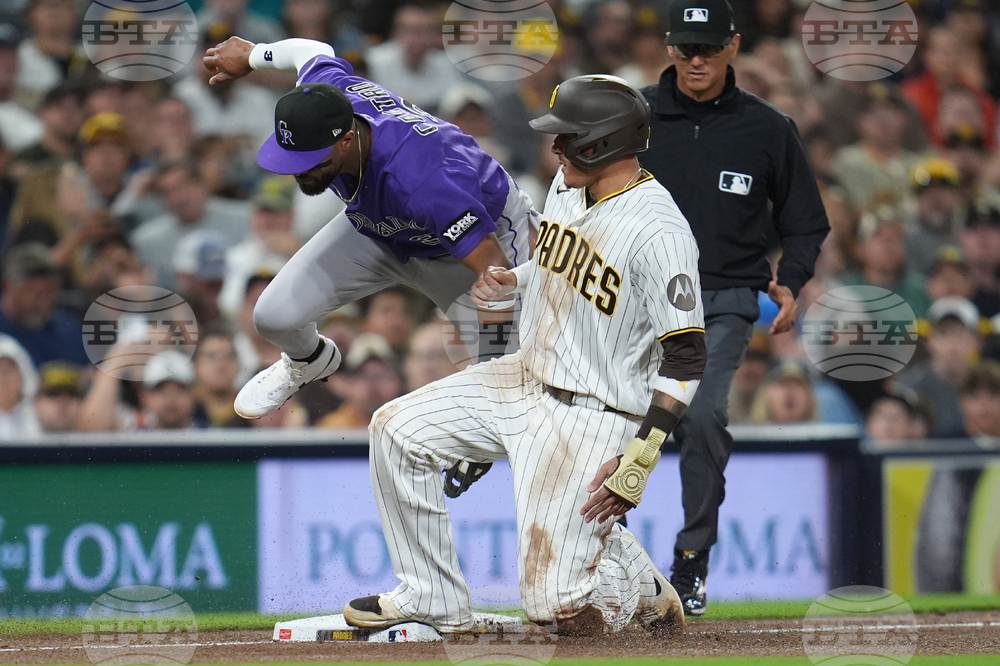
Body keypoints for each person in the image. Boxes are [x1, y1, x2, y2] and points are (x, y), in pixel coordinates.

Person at [338, 75, 697, 637]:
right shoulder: (569, 184)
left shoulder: (660, 230)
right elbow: (562, 261)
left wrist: (641, 457)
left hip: (593, 413)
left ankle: (636, 583)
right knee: (395, 429)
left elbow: (686, 357)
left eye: (566, 136)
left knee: (553, 609)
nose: (554, 147)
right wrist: (516, 278)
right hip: (524, 376)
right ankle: (432, 595)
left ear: (600, 143)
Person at [202, 36, 534, 424]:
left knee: (516, 383)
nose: (297, 170)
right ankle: (308, 361)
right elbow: (312, 50)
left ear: (346, 139)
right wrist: (255, 56)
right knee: (275, 316)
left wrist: (490, 382)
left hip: (468, 247)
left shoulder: (423, 180)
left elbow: (495, 277)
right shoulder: (325, 98)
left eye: (308, 159)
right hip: (380, 228)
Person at [637, 0, 829, 615]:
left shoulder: (768, 128)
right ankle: (592, 561)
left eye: (709, 47)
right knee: (596, 421)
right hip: (632, 301)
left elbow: (804, 224)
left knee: (699, 414)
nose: (697, 59)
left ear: (733, 47)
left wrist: (791, 280)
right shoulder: (632, 118)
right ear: (669, 47)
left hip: (720, 300)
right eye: (687, 47)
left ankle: (691, 560)